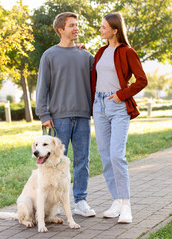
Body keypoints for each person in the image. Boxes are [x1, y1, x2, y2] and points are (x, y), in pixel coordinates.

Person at [35, 12, 96, 217]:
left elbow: (100, 74)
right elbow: (42, 86)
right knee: (57, 161)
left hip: (82, 116)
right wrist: (43, 113)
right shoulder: (49, 55)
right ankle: (57, 202)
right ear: (61, 29)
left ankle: (80, 200)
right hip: (58, 117)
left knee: (82, 160)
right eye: (71, 25)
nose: (76, 28)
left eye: (77, 25)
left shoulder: (86, 56)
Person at [91, 12, 148, 223]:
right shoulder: (100, 52)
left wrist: (120, 95)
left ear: (115, 30)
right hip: (99, 106)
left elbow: (142, 80)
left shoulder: (127, 52)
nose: (100, 29)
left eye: (104, 26)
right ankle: (115, 200)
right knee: (105, 156)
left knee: (117, 155)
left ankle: (126, 205)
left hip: (117, 106)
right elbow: (95, 75)